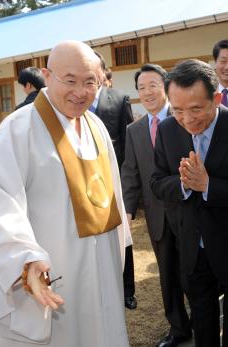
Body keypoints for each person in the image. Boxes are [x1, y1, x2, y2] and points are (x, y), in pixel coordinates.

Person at [0, 41, 130, 346]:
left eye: (90, 82)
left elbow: (111, 192)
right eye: (70, 80)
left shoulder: (96, 125)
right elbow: (0, 206)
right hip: (52, 270)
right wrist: (25, 259)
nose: (81, 91)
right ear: (48, 76)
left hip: (101, 265)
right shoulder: (18, 130)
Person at [151, 59, 228, 347]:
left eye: (196, 109)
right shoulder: (168, 130)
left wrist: (208, 186)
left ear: (217, 98)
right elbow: (156, 182)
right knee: (202, 318)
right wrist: (183, 183)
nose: (187, 119)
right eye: (178, 110)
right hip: (192, 245)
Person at [122, 63, 192, 347]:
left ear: (166, 86)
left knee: (194, 271)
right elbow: (130, 171)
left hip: (188, 209)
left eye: (153, 85)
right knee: (167, 274)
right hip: (157, 215)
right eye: (141, 87)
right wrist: (127, 209)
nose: (147, 92)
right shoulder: (134, 130)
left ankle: (204, 320)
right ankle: (178, 328)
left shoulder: (183, 118)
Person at [93, 51, 136, 309]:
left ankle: (127, 290)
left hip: (113, 180)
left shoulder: (119, 99)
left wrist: (129, 186)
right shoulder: (68, 102)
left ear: (102, 71)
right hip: (82, 185)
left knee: (123, 238)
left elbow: (128, 145)